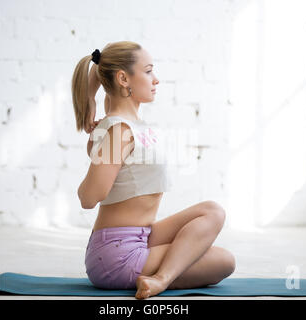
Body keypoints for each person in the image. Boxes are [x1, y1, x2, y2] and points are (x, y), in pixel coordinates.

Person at [71, 41, 235, 299]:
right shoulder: (119, 131)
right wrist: (104, 149)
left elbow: (104, 88)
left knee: (212, 211)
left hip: (142, 236)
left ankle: (160, 275)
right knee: (223, 261)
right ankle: (161, 279)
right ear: (124, 78)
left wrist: (91, 99)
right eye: (148, 71)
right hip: (117, 253)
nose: (155, 79)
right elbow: (88, 198)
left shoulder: (126, 125)